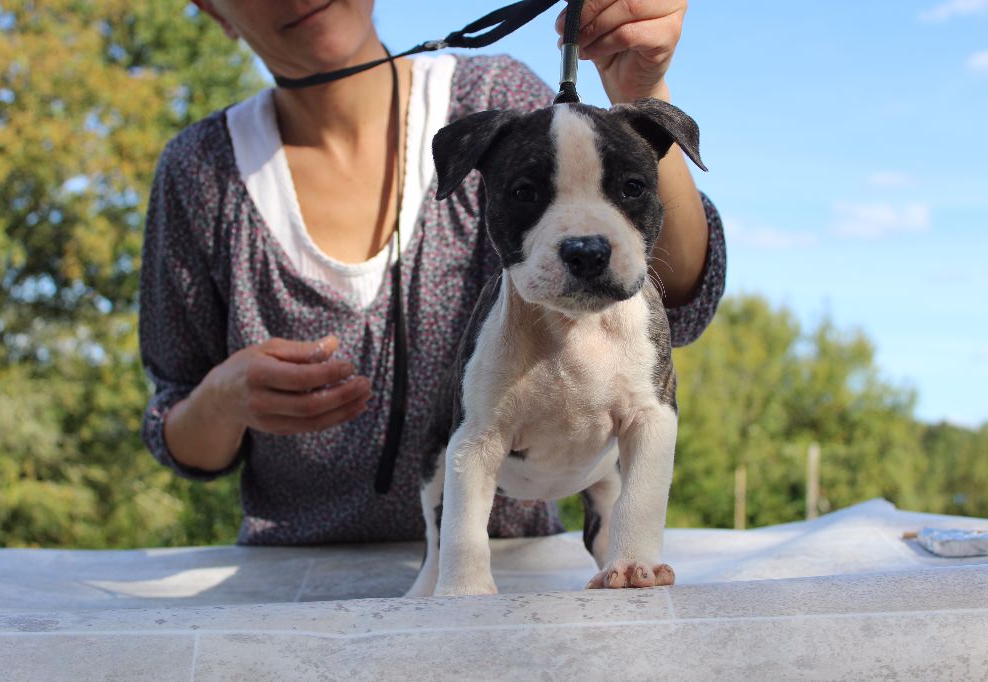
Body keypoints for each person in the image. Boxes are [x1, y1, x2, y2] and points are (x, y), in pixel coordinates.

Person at [139, 0, 726, 545]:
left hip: (506, 574)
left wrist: (640, 90)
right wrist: (220, 402)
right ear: (212, 8)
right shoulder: (201, 171)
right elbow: (179, 436)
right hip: (292, 578)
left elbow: (679, 304)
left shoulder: (491, 97)